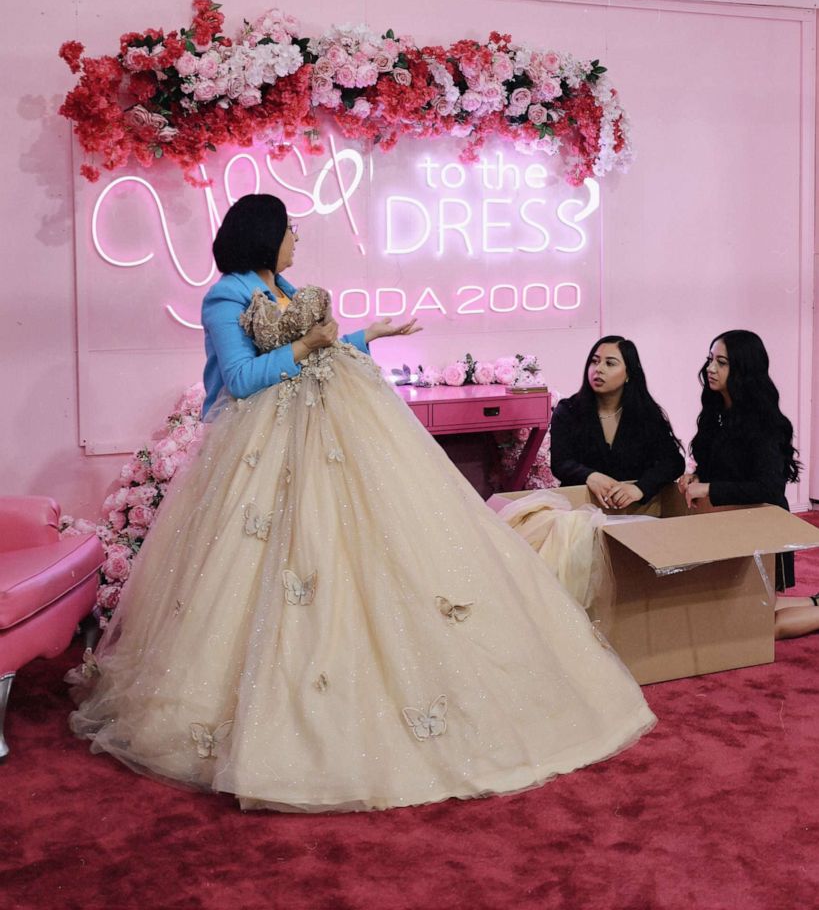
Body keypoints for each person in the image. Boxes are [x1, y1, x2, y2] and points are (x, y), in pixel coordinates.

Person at [69, 194, 654, 812]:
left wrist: (363, 336)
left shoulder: (284, 285)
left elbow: (313, 345)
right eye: (290, 230)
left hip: (317, 438)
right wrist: (310, 346)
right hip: (258, 452)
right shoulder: (225, 297)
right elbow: (240, 379)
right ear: (263, 235)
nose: (297, 238)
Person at [679, 330, 814, 640]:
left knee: (755, 629)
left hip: (764, 528)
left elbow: (769, 488)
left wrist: (710, 489)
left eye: (721, 362)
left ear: (743, 369)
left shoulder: (763, 422)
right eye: (711, 359)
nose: (711, 369)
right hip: (731, 528)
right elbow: (719, 468)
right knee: (730, 612)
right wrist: (698, 476)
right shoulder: (716, 413)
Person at [549, 336, 685, 509]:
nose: (598, 369)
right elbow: (560, 463)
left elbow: (673, 462)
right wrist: (590, 476)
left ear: (629, 373)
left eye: (610, 363)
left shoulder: (645, 413)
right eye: (594, 361)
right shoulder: (568, 410)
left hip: (632, 512)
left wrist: (640, 488)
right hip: (579, 510)